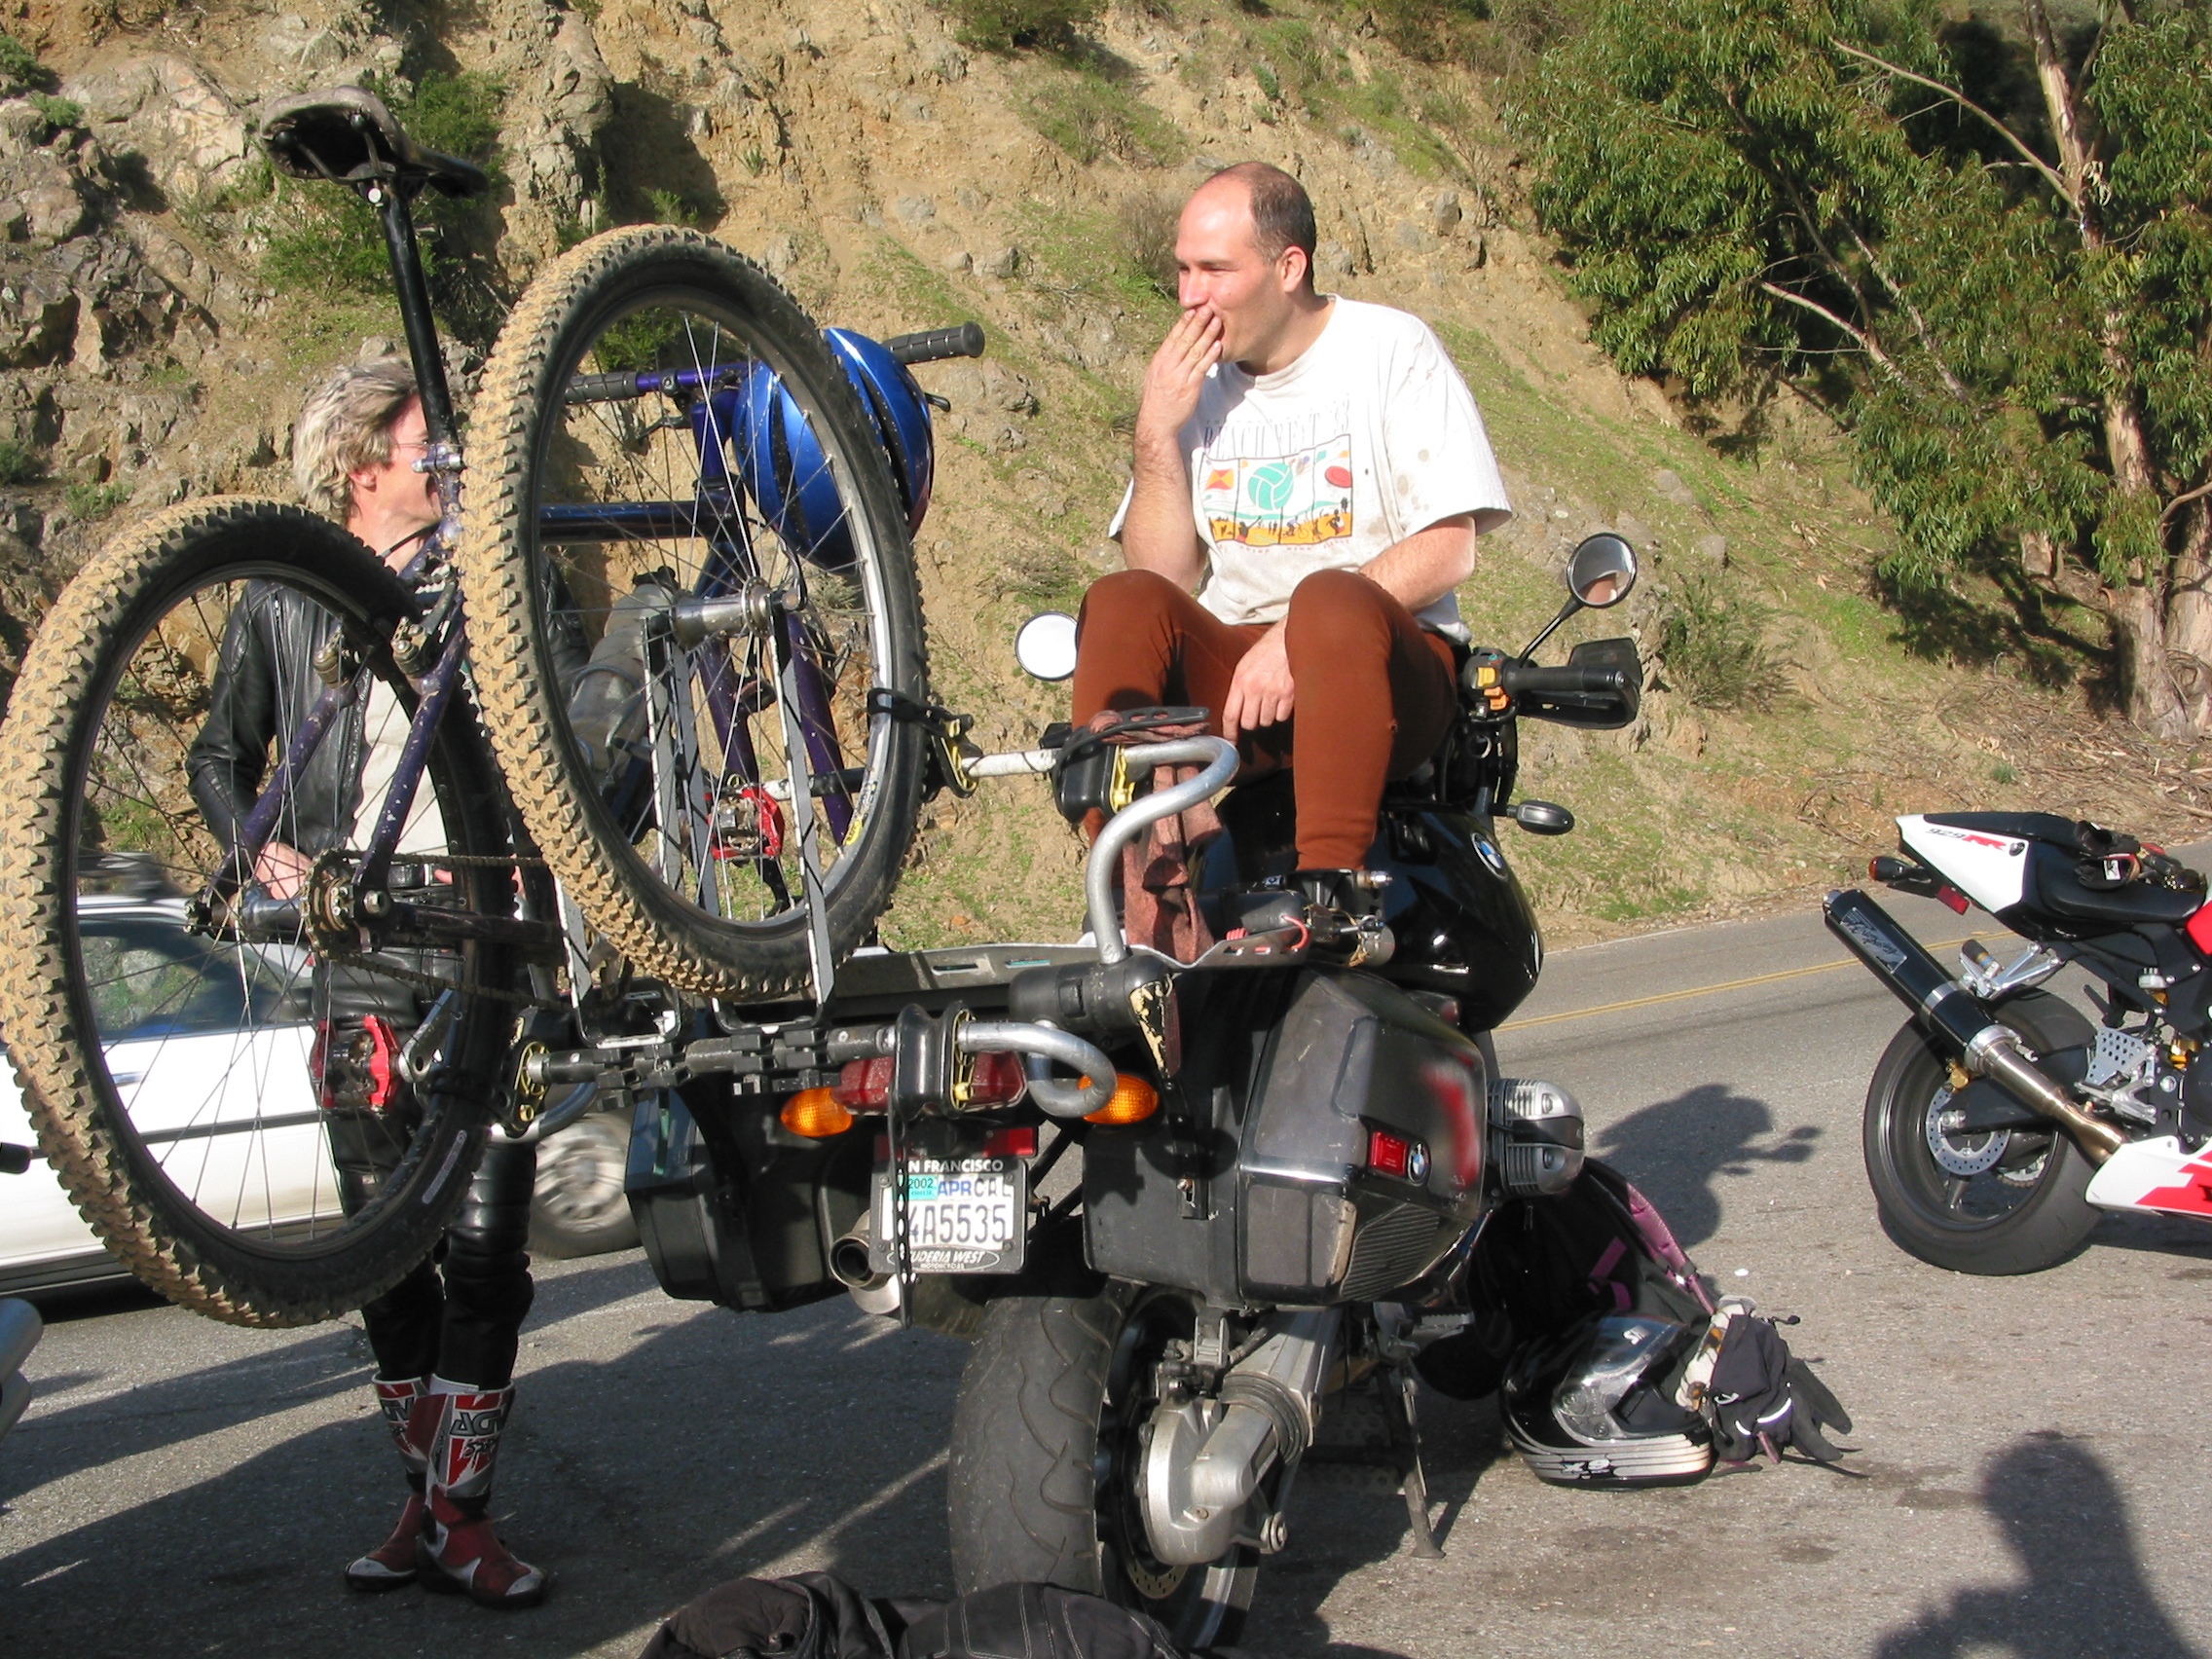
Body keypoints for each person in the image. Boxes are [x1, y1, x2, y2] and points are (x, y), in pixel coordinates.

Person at [186, 354, 547, 1608]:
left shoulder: (493, 588)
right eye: (421, 441)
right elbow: (217, 754)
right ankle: (430, 1509)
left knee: (491, 1246)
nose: (446, 460)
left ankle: (458, 1515)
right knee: (377, 1247)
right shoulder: (282, 595)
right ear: (359, 466)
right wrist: (252, 841)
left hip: (486, 940)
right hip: (354, 949)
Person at [1074, 162, 1513, 877]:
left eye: (1215, 270)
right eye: (1183, 270)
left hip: (1378, 665)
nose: (1191, 298)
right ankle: (1126, 882)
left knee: (1330, 599)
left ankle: (1331, 887)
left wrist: (1296, 636)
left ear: (1288, 267)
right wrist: (1156, 433)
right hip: (1242, 674)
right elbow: (1164, 577)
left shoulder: (1391, 349)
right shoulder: (1196, 386)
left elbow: (1447, 550)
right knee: (1118, 601)